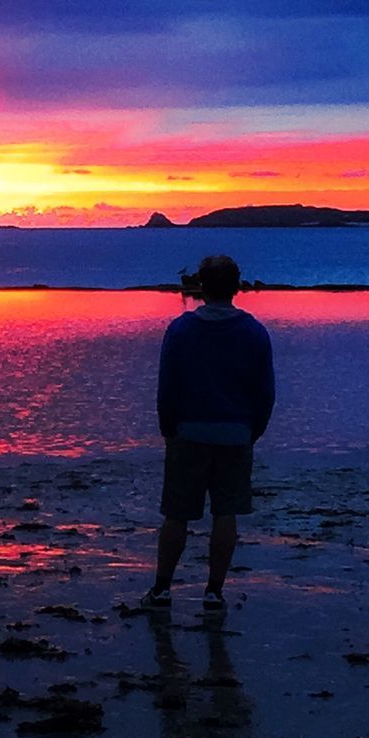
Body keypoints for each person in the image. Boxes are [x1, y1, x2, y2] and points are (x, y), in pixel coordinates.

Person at [141, 254, 274, 614]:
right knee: (225, 514)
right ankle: (214, 592)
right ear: (236, 287)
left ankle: (163, 588)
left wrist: (168, 428)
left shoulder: (181, 330)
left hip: (190, 432)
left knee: (177, 514)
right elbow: (264, 392)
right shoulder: (254, 332)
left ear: (201, 286)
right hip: (235, 433)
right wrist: (253, 430)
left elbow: (167, 387)